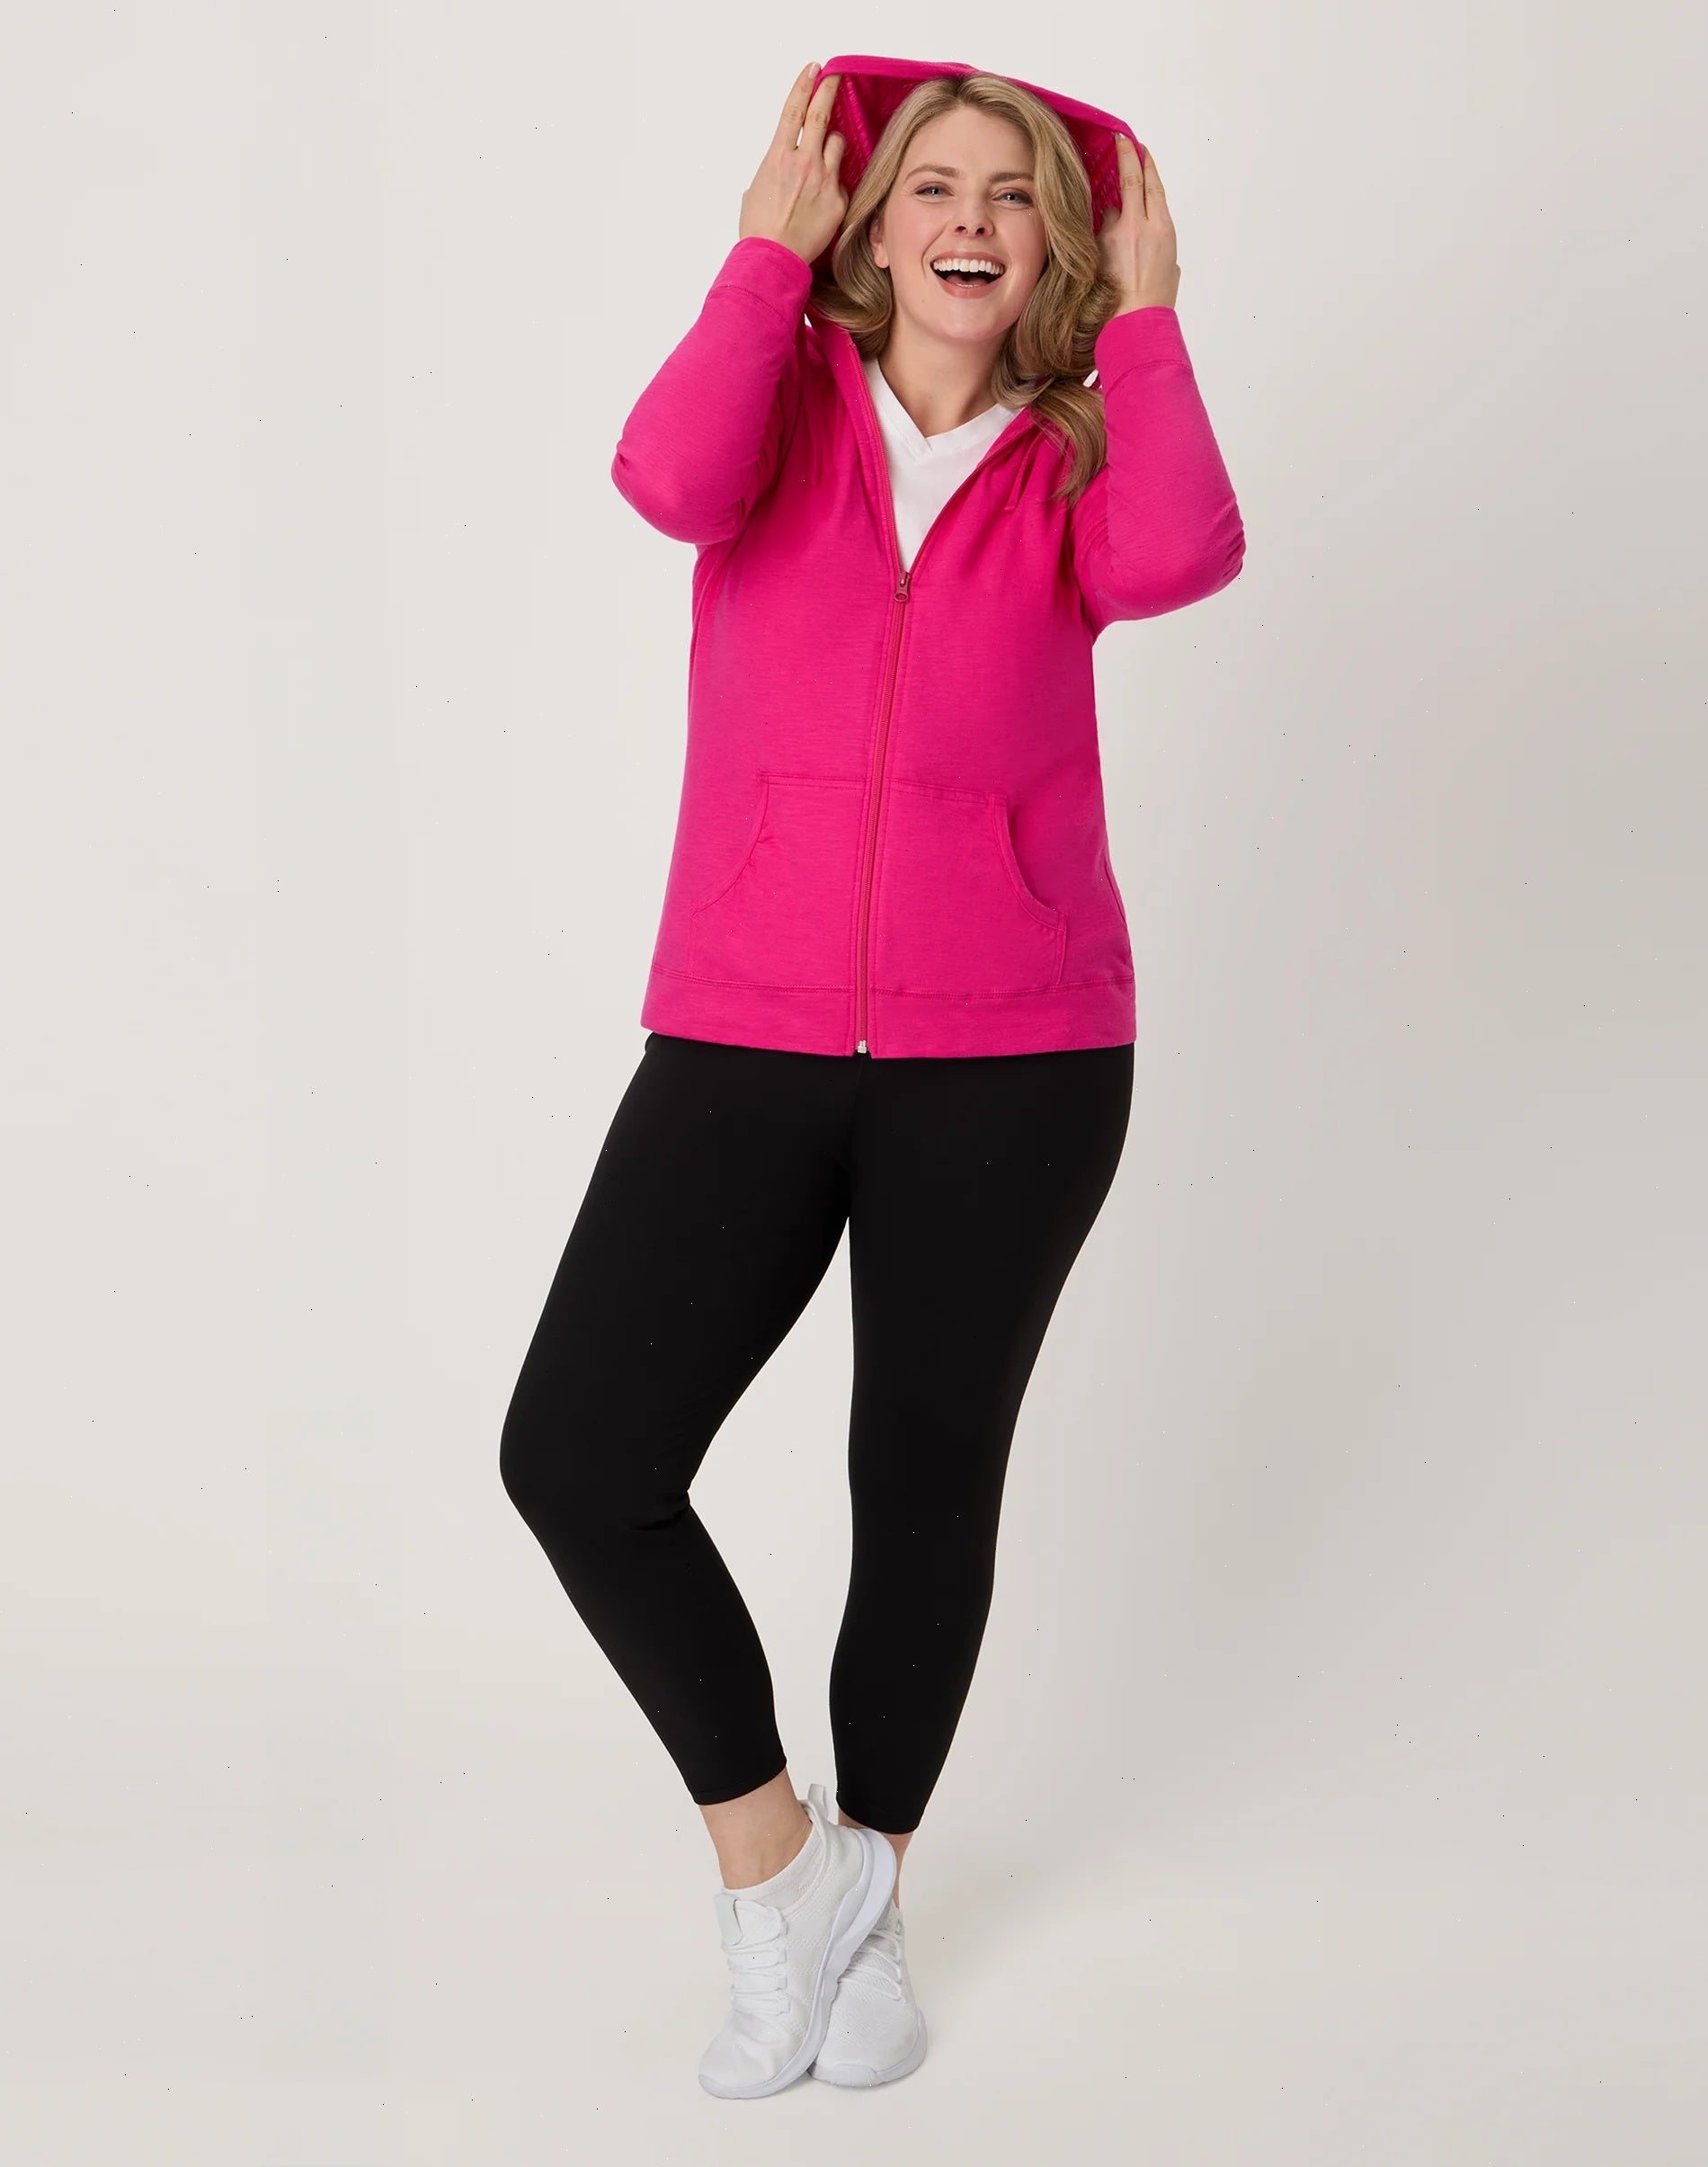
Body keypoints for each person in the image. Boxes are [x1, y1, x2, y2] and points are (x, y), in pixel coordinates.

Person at [499, 55, 1244, 2099]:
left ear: (1052, 239)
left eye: (1011, 191)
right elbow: (660, 479)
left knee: (919, 1480)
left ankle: (875, 1897)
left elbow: (1184, 557)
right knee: (579, 1452)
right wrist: (759, 260)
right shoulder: (778, 414)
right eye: (933, 183)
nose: (970, 219)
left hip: (1015, 1054)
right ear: (871, 216)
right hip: (741, 1028)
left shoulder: (1077, 453)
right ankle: (780, 1869)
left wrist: (1151, 320)